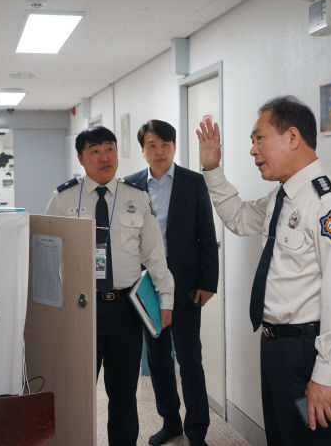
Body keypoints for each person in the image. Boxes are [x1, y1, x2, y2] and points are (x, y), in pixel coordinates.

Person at [196, 96, 331, 445]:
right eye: (252, 142)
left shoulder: (330, 203)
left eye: (260, 139)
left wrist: (326, 377)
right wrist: (212, 170)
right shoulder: (281, 197)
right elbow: (240, 218)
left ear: (292, 137)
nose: (253, 151)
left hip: (309, 352)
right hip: (276, 348)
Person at [45, 125, 175, 445]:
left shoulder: (137, 197)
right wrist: (50, 310)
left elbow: (155, 256)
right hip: (80, 309)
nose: (105, 157)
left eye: (110, 149)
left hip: (124, 311)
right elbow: (45, 255)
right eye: (95, 151)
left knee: (123, 394)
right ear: (81, 158)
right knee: (76, 393)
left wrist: (166, 300)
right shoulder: (63, 198)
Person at [124, 120, 218, 446]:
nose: (159, 151)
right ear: (143, 150)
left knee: (190, 359)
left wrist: (209, 281)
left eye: (165, 144)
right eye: (152, 145)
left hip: (187, 285)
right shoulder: (130, 186)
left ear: (174, 147)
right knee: (159, 357)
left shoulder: (193, 183)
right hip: (148, 286)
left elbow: (207, 234)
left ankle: (197, 432)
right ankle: (171, 422)